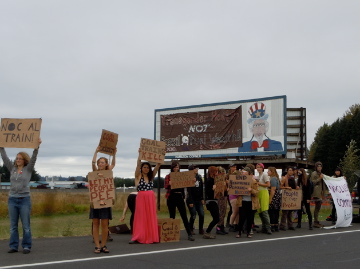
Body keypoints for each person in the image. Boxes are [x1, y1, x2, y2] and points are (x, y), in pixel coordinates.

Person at [0, 138, 41, 254]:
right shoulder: (12, 169)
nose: (17, 160)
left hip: (24, 200)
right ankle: (13, 246)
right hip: (12, 200)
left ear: (24, 160)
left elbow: (34, 158)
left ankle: (27, 246)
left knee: (26, 225)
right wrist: (1, 147)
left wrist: (37, 147)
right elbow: (4, 157)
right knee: (13, 225)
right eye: (16, 158)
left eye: (20, 158)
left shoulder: (28, 169)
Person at [129, 155, 160, 244]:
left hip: (150, 198)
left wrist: (161, 155)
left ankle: (151, 236)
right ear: (141, 168)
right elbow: (138, 165)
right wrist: (139, 156)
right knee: (140, 217)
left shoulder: (151, 176)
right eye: (144, 167)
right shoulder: (138, 176)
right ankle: (138, 236)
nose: (146, 169)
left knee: (150, 216)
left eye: (147, 167)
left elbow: (157, 166)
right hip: (141, 198)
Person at [90, 146, 116, 254]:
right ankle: (97, 246)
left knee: (105, 225)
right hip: (95, 201)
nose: (100, 164)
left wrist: (114, 154)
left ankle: (104, 245)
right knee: (95, 223)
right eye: (99, 162)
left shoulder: (108, 173)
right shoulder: (95, 172)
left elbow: (113, 164)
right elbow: (92, 163)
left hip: (106, 202)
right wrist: (96, 151)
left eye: (102, 162)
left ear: (106, 164)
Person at [164, 161, 195, 241]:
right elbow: (165, 186)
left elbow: (188, 184)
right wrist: (169, 184)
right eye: (174, 167)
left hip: (179, 196)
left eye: (177, 167)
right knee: (172, 216)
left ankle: (189, 234)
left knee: (184, 215)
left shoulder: (182, 176)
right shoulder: (168, 176)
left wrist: (192, 180)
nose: (176, 168)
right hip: (171, 196)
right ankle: (171, 234)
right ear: (172, 168)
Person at [236, 164, 259, 238]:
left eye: (244, 172)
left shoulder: (253, 181)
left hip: (250, 202)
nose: (242, 173)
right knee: (241, 218)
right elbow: (235, 190)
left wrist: (251, 190)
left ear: (248, 173)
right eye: (242, 172)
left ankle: (248, 232)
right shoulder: (239, 180)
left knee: (250, 218)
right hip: (242, 201)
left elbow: (257, 192)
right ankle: (239, 232)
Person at [186, 164, 205, 235]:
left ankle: (201, 229)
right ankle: (190, 228)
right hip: (191, 199)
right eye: (195, 168)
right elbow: (189, 191)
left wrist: (202, 198)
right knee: (193, 214)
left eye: (197, 168)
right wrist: (190, 201)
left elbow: (201, 188)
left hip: (198, 199)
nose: (197, 169)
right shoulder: (188, 177)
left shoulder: (199, 177)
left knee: (201, 214)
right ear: (191, 170)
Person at [203, 166, 220, 239]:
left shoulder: (215, 180)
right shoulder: (209, 180)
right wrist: (213, 189)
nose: (217, 173)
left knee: (216, 218)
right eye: (215, 172)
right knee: (216, 218)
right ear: (211, 172)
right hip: (210, 201)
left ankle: (208, 232)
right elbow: (207, 192)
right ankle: (207, 232)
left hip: (214, 200)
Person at [279, 167, 298, 231]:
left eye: (291, 170)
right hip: (286, 196)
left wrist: (297, 188)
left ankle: (290, 225)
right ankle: (282, 225)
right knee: (285, 211)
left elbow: (294, 187)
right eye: (289, 170)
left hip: (291, 197)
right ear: (287, 171)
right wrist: (286, 187)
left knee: (290, 211)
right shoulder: (284, 178)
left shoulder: (293, 179)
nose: (290, 171)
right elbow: (280, 186)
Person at [256, 163, 272, 234]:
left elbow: (268, 185)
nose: (258, 168)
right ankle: (263, 227)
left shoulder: (264, 175)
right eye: (257, 167)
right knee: (260, 212)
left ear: (262, 168)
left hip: (264, 193)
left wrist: (259, 184)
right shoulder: (258, 176)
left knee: (264, 211)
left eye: (260, 167)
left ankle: (268, 228)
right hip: (259, 193)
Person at [311, 161, 326, 228]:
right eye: (318, 166)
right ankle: (315, 222)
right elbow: (312, 182)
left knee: (318, 207)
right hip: (316, 192)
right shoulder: (314, 173)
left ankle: (316, 221)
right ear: (316, 167)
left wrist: (324, 191)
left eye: (320, 166)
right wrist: (319, 178)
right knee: (317, 207)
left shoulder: (321, 174)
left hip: (320, 192)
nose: (319, 167)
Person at [267, 167, 281, 232]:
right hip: (278, 195)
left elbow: (273, 189)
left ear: (271, 172)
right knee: (276, 211)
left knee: (272, 211)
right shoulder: (276, 178)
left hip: (274, 196)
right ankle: (276, 225)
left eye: (268, 171)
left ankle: (272, 225)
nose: (267, 172)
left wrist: (270, 198)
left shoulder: (272, 179)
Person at [215, 166, 228, 235]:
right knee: (221, 212)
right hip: (221, 197)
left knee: (224, 212)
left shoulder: (224, 180)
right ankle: (219, 227)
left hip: (225, 196)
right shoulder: (218, 180)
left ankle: (222, 226)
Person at [227, 164, 240, 232]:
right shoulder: (231, 180)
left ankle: (236, 224)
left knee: (237, 212)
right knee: (234, 211)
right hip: (233, 196)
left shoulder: (239, 181)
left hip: (238, 196)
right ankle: (231, 224)